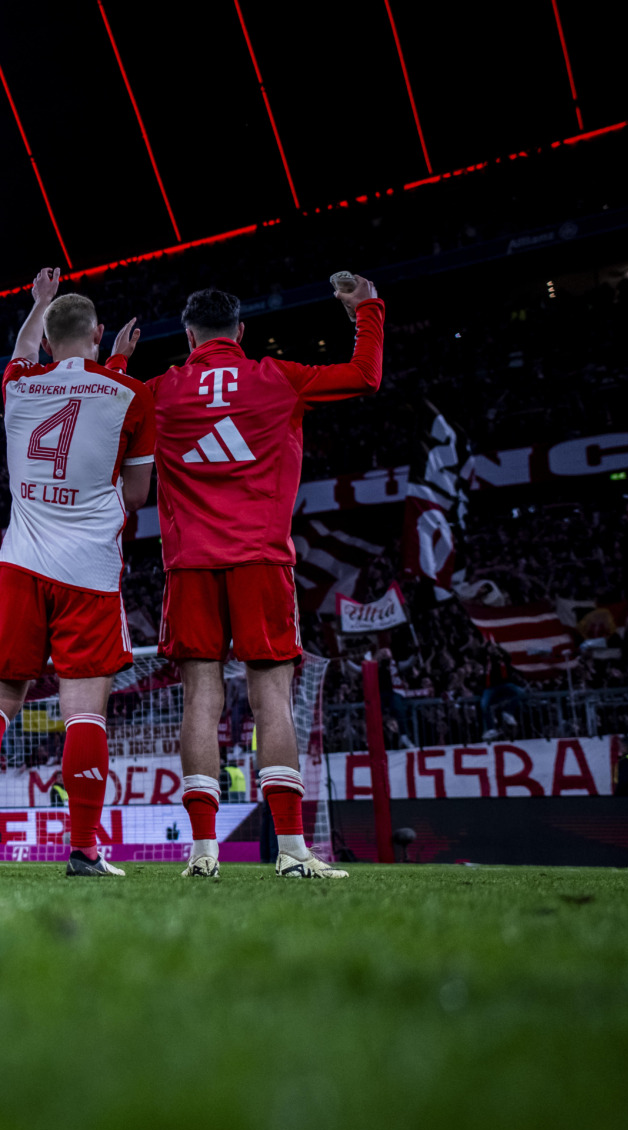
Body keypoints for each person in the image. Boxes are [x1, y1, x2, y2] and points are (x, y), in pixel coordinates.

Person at [125, 275, 383, 879]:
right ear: (240, 332)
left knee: (200, 698)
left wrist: (114, 362)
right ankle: (292, 850)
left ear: (189, 337)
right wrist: (367, 310)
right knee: (272, 697)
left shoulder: (160, 389)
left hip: (190, 565)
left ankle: (202, 851)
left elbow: (106, 408)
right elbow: (365, 376)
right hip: (262, 561)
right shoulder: (278, 376)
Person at [0, 274, 152, 877]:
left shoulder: (19, 386)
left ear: (50, 342)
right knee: (84, 711)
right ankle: (83, 849)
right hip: (88, 571)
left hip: (20, 566)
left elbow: (22, 350)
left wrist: (37, 303)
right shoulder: (132, 393)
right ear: (99, 334)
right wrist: (117, 365)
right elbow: (137, 493)